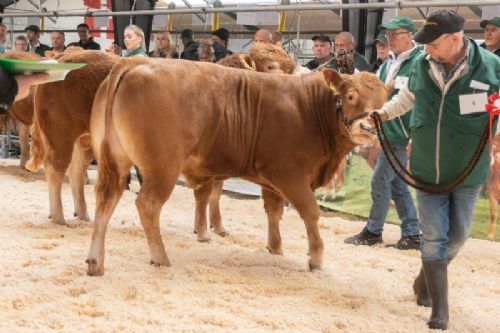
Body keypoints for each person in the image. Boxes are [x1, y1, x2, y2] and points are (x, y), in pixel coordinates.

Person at [368, 10, 500, 330]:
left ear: (455, 39)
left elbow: (495, 107)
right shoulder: (420, 64)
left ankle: (424, 280)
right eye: (424, 44)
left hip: (468, 169)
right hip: (427, 166)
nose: (428, 50)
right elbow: (408, 97)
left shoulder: (492, 68)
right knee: (433, 237)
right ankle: (439, 312)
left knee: (456, 238)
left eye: (434, 44)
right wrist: (383, 114)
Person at [345, 16, 422, 250]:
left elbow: (419, 101)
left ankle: (373, 231)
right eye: (387, 35)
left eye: (395, 34)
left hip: (404, 134)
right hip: (387, 134)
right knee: (397, 186)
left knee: (380, 179)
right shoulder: (387, 64)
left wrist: (414, 134)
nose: (389, 39)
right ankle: (412, 233)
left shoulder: (419, 62)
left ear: (410, 35)